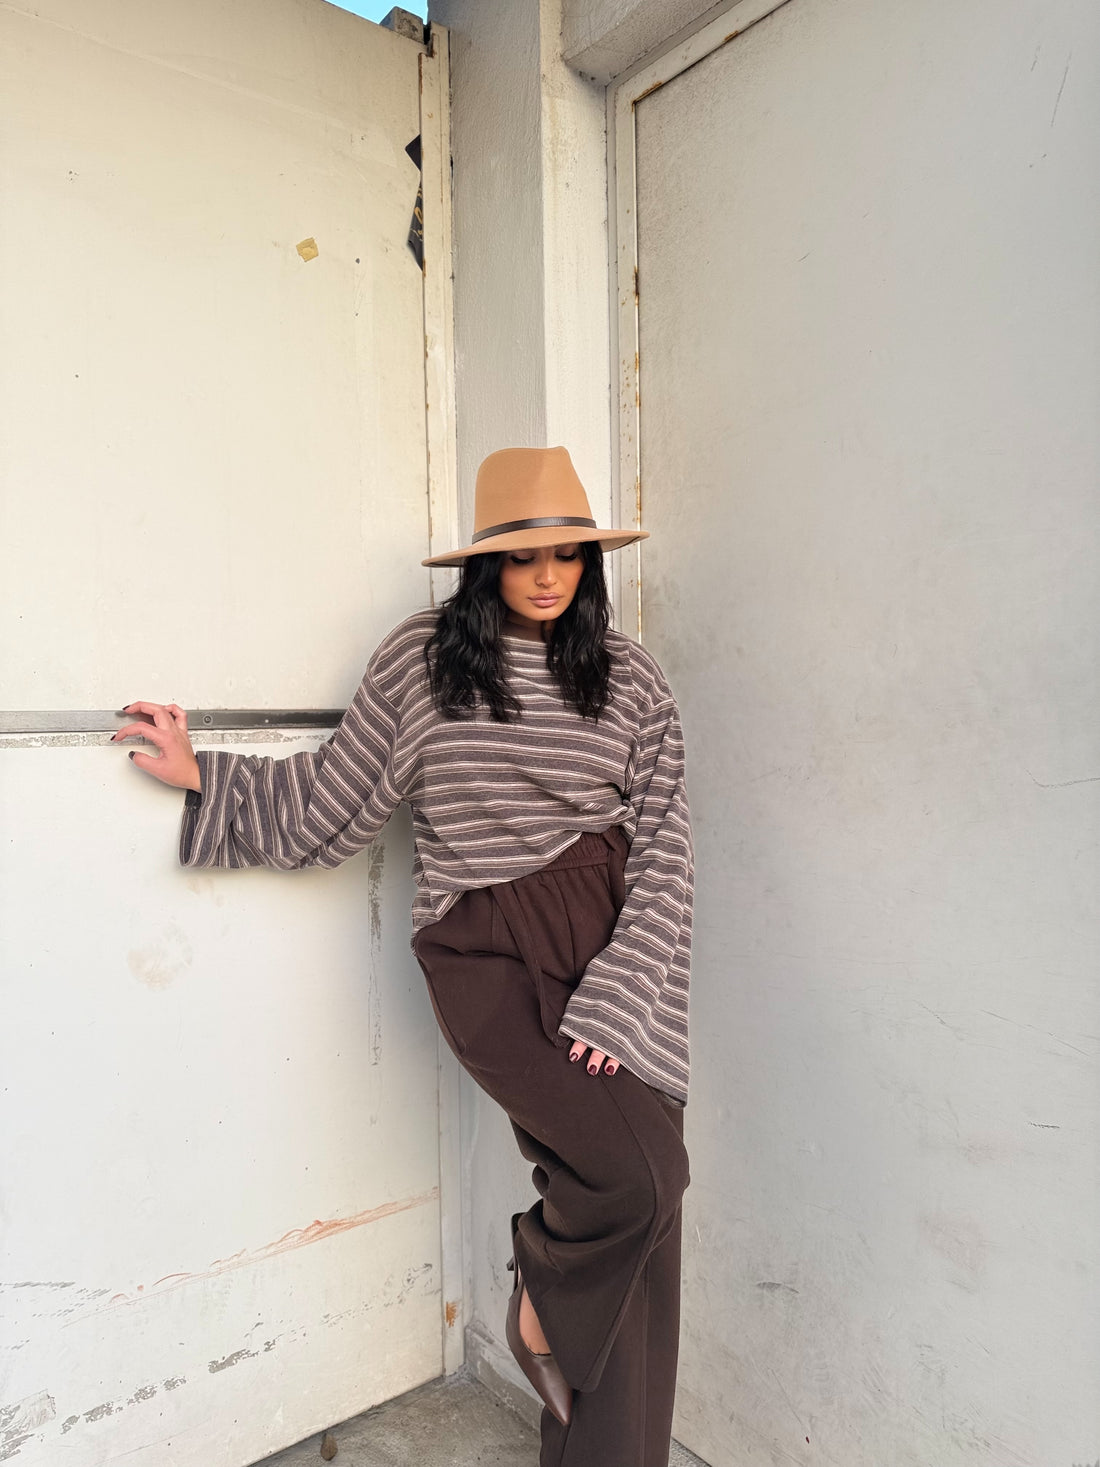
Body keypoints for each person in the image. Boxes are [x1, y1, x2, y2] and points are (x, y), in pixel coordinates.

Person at [114, 446, 693, 1467]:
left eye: (566, 554)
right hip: (486, 951)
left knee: (646, 1239)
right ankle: (536, 1303)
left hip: (613, 952)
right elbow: (332, 804)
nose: (547, 576)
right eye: (523, 557)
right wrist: (205, 772)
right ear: (485, 566)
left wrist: (620, 994)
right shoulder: (424, 662)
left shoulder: (630, 676)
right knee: (638, 1179)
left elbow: (665, 849)